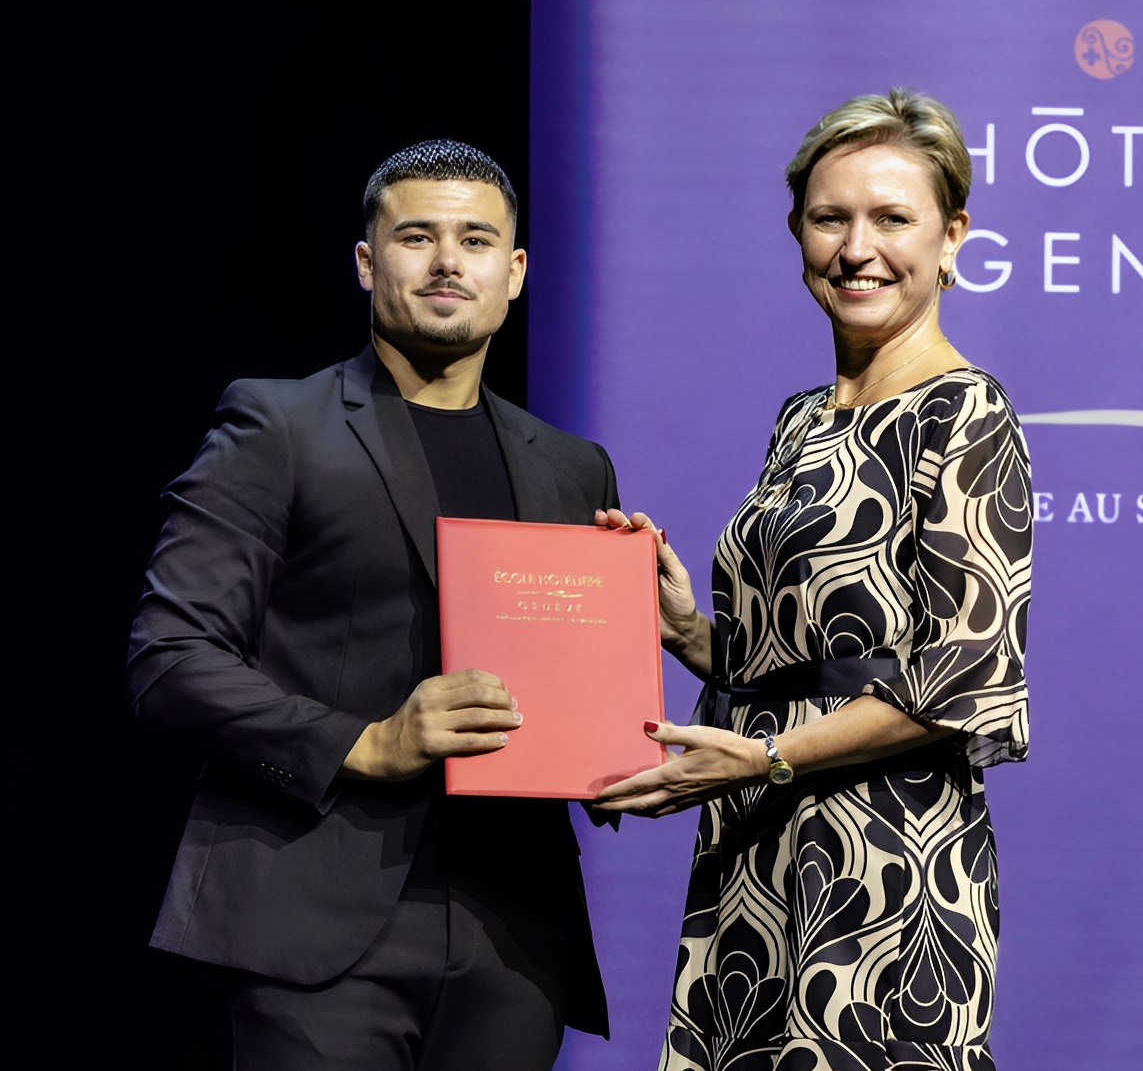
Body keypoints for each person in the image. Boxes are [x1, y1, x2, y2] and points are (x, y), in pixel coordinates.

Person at [128, 139, 617, 1070]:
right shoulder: (277, 425)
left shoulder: (572, 465)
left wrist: (624, 730)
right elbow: (170, 656)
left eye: (476, 240)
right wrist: (365, 741)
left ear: (513, 273)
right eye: (415, 237)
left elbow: (575, 680)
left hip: (513, 929)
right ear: (366, 261)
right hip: (316, 918)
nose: (445, 262)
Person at [594, 89, 1031, 1071]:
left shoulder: (965, 414)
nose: (857, 247)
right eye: (831, 218)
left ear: (952, 237)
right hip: (759, 850)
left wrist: (763, 759)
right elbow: (819, 657)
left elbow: (959, 681)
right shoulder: (803, 418)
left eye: (893, 218)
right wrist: (693, 635)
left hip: (886, 864)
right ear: (797, 233)